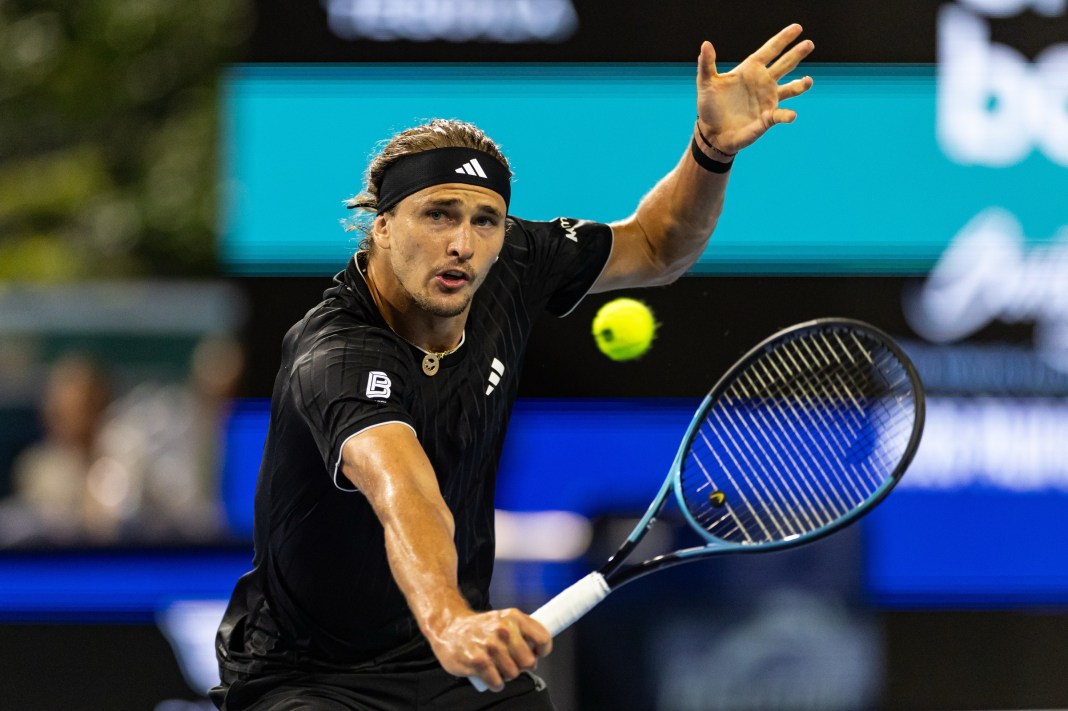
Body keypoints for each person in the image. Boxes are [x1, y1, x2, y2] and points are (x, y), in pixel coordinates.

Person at [212, 25, 814, 710]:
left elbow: (658, 245)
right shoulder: (338, 349)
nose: (462, 244)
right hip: (307, 676)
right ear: (381, 224)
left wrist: (708, 154)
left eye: (485, 220)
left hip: (448, 667)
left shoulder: (512, 263)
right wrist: (449, 617)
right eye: (437, 215)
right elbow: (402, 488)